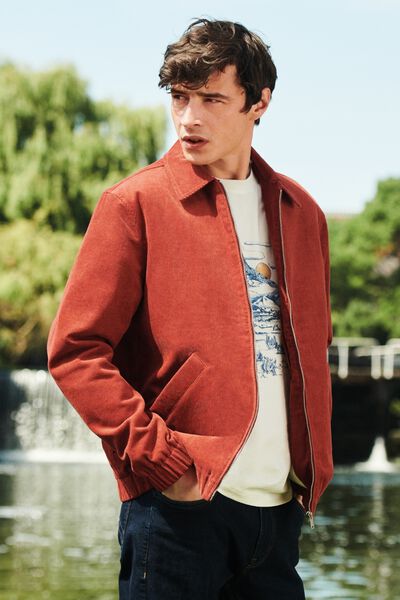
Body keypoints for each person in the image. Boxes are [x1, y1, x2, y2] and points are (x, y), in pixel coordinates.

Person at [47, 18, 333, 600]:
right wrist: (159, 459)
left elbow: (311, 347)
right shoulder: (135, 203)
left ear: (259, 103)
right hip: (179, 511)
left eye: (211, 99)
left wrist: (312, 468)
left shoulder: (301, 212)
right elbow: (75, 351)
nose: (188, 118)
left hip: (279, 513)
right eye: (179, 97)